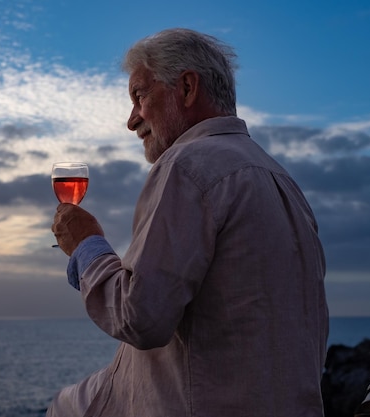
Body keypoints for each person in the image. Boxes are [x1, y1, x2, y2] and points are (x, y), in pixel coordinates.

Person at [48, 28, 329, 417]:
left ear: (186, 88)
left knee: (63, 407)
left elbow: (141, 317)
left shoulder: (188, 166)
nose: (132, 120)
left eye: (139, 96)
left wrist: (86, 246)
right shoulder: (281, 180)